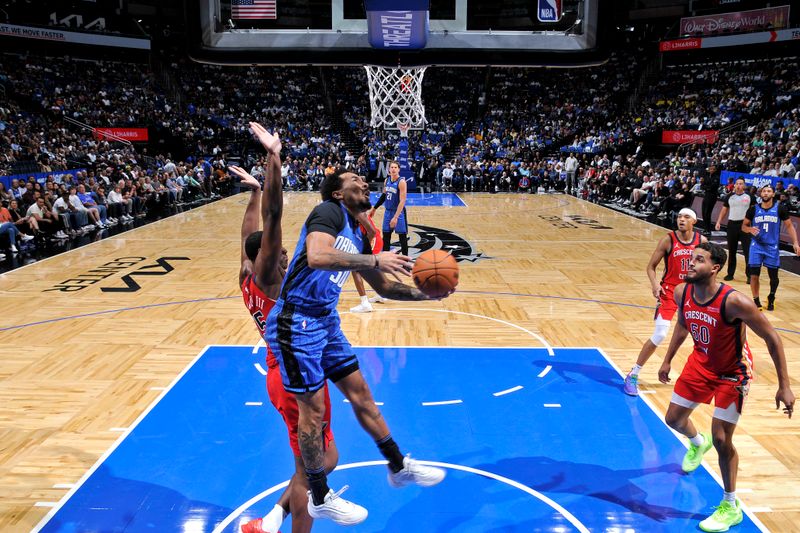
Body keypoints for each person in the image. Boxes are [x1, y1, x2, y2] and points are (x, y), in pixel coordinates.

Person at [265, 167, 449, 526]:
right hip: (296, 322)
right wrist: (374, 259)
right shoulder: (328, 213)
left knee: (361, 392)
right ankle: (319, 496)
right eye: (354, 182)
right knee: (313, 411)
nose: (363, 183)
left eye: (364, 181)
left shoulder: (358, 232)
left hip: (325, 320)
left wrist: (426, 293)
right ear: (337, 193)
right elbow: (318, 256)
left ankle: (398, 466)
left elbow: (384, 288)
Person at [235, 122, 338, 533]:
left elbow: (248, 234)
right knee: (314, 465)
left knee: (321, 461)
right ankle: (288, 523)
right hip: (295, 372)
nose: (282, 257)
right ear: (265, 258)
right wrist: (273, 159)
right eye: (275, 253)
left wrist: (253, 192)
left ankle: (271, 518)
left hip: (285, 369)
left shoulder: (245, 276)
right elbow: (273, 218)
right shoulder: (270, 279)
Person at [658, 242, 794, 532]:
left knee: (722, 439)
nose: (690, 263)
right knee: (673, 419)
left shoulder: (735, 302)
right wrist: (667, 359)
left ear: (715, 268)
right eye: (691, 258)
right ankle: (697, 442)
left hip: (733, 372)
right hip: (700, 363)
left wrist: (784, 385)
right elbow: (683, 325)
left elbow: (773, 338)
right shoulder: (683, 292)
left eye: (699, 260)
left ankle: (730, 505)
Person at [624, 208, 707, 396]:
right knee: (660, 333)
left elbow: (709, 269)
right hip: (669, 292)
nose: (681, 220)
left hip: (691, 294)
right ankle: (633, 374)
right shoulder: (668, 239)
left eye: (686, 217)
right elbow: (651, 267)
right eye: (679, 216)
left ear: (694, 221)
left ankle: (698, 377)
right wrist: (655, 285)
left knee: (698, 336)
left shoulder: (701, 242)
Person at [743, 184, 800, 311]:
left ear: (773, 194)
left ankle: (771, 296)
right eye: (764, 191)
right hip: (756, 246)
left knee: (773, 277)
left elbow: (790, 226)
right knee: (754, 275)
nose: (766, 193)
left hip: (772, 247)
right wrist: (749, 229)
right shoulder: (753, 209)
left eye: (769, 191)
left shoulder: (780, 209)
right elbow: (744, 226)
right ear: (760, 194)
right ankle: (756, 300)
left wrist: (795, 242)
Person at [715, 177, 754, 283]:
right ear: (735, 185)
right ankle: (730, 274)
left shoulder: (750, 196)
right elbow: (724, 210)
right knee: (732, 251)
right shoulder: (729, 196)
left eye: (741, 184)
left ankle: (749, 276)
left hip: (745, 225)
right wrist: (718, 221)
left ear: (744, 186)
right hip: (732, 224)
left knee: (747, 251)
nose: (739, 185)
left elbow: (754, 211)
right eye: (737, 183)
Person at [350, 213, 382, 313]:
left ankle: (364, 303)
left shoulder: (356, 211)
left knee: (356, 269)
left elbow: (371, 231)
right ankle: (380, 294)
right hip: (373, 238)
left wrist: (363, 247)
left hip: (372, 240)